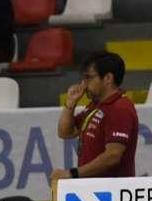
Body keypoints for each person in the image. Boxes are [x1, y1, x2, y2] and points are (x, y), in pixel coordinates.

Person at [52, 52, 138, 183]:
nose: (84, 84)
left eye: (88, 78)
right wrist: (70, 103)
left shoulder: (120, 108)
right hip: (94, 188)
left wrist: (72, 173)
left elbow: (113, 156)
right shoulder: (95, 106)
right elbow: (65, 132)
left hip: (111, 191)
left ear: (108, 78)